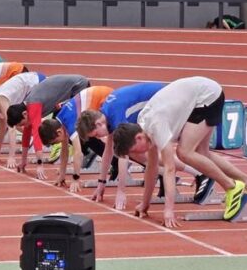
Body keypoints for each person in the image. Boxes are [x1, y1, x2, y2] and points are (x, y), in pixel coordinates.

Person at [112, 77, 247, 228]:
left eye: (133, 151)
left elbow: (170, 169)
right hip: (202, 94)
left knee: (184, 152)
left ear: (138, 138)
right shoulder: (144, 126)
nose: (136, 156)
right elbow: (151, 169)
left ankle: (231, 187)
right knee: (202, 153)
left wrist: (169, 210)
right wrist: (145, 204)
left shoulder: (156, 125)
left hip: (207, 96)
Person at [76, 82, 210, 210]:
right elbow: (108, 151)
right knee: (143, 152)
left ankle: (200, 173)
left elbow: (123, 156)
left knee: (142, 151)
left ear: (98, 124)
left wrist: (121, 191)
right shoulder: (106, 114)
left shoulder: (115, 116)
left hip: (167, 102)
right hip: (156, 102)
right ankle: (184, 173)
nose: (97, 138)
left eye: (95, 134)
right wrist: (101, 183)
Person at [6, 75, 90, 178]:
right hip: (67, 94)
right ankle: (82, 153)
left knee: (70, 127)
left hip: (78, 86)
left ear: (24, 114)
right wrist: (23, 161)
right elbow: (26, 135)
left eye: (22, 124)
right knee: (60, 128)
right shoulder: (28, 106)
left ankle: (85, 153)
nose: (24, 127)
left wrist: (40, 164)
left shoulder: (33, 105)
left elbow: (37, 134)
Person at [38, 86, 114, 192]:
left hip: (105, 97)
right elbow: (65, 150)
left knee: (103, 133)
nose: (57, 144)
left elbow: (78, 152)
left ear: (58, 132)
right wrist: (62, 175)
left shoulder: (69, 123)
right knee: (81, 137)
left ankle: (118, 161)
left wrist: (76, 178)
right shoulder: (60, 119)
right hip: (98, 95)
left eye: (55, 142)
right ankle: (113, 159)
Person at [0, 71, 48, 170]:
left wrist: (12, 157)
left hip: (38, 82)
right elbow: (2, 127)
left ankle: (47, 142)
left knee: (32, 120)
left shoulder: (0, 100)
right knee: (27, 121)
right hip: (30, 85)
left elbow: (11, 129)